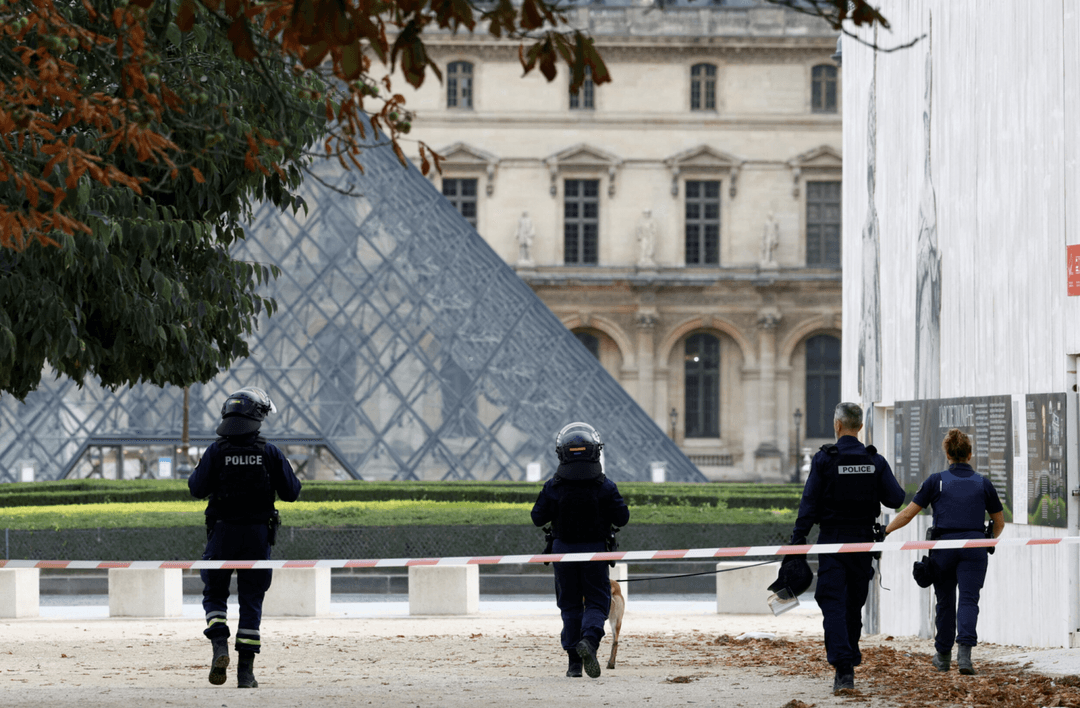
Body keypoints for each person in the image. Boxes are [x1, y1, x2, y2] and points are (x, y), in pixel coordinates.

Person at [188, 387, 302, 688]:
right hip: (256, 536)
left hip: (222, 533)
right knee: (251, 601)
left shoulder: (216, 451)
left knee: (214, 595)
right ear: (257, 417)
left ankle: (219, 646)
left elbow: (196, 488)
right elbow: (292, 492)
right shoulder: (269, 451)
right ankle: (246, 674)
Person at [788, 401, 905, 694]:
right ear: (860, 426)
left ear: (837, 425)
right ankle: (848, 659)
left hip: (832, 542)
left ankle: (844, 668)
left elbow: (809, 504)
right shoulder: (874, 460)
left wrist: (797, 540)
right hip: (863, 543)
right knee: (853, 605)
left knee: (833, 603)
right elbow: (896, 498)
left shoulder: (825, 459)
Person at [885, 428, 1004, 676]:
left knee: (945, 602)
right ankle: (965, 658)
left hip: (943, 548)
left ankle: (942, 657)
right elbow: (999, 522)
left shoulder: (935, 481)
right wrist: (988, 539)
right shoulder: (983, 483)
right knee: (969, 600)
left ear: (947, 454)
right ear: (969, 454)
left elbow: (908, 514)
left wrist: (884, 531)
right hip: (975, 547)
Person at [531, 422, 629, 679]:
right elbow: (622, 518)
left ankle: (574, 663)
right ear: (595, 451)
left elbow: (537, 518)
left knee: (570, 606)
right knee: (597, 602)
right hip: (595, 552)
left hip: (562, 552)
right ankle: (590, 641)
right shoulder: (605, 486)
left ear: (561, 453)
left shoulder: (553, 486)